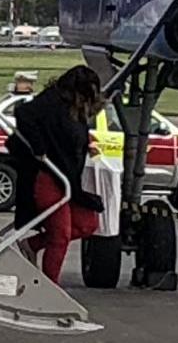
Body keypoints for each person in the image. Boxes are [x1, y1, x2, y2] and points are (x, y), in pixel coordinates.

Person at [7, 66, 106, 284]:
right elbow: (24, 113)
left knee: (86, 224)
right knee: (59, 235)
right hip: (49, 177)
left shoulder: (73, 109)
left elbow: (69, 134)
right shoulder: (52, 103)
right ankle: (50, 285)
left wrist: (84, 145)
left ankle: (32, 245)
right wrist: (39, 148)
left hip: (68, 179)